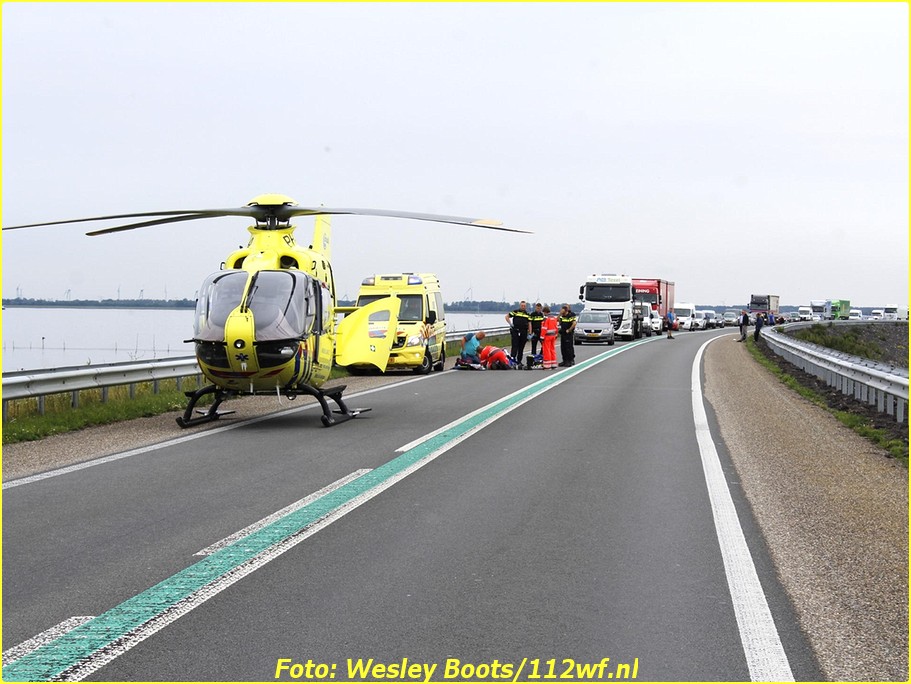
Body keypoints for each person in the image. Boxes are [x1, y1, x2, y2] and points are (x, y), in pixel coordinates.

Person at [505, 301, 531, 366]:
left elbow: (530, 323)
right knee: (515, 345)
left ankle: (519, 361)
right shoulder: (515, 312)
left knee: (521, 347)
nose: (523, 307)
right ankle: (512, 360)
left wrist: (530, 333)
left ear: (526, 306)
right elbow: (507, 316)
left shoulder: (527, 314)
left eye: (524, 306)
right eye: (522, 306)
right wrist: (510, 324)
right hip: (515, 331)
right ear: (520, 306)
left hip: (524, 331)